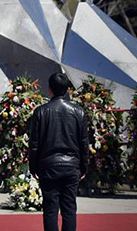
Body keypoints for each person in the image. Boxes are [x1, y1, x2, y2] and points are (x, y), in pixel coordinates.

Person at [29, 72, 89, 231]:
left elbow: (34, 143)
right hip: (71, 166)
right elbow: (83, 143)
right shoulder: (79, 112)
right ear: (68, 89)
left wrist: (33, 167)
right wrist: (83, 167)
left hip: (48, 166)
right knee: (69, 209)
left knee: (50, 209)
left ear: (50, 89)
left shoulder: (40, 112)